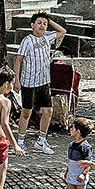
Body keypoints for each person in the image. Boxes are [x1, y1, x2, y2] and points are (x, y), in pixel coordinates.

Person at [13, 12, 67, 155]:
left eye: (44, 24)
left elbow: (62, 31)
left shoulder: (47, 37)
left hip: (44, 81)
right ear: (32, 25)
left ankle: (41, 140)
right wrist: (16, 80)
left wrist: (50, 21)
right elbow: (18, 60)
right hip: (29, 82)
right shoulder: (27, 41)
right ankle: (20, 141)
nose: (42, 26)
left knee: (48, 112)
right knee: (26, 112)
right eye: (39, 23)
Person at [65, 118, 94, 189]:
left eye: (72, 128)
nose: (70, 129)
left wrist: (83, 174)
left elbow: (88, 163)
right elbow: (70, 162)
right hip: (71, 174)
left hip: (80, 175)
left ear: (78, 131)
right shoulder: (71, 145)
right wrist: (67, 171)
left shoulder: (85, 147)